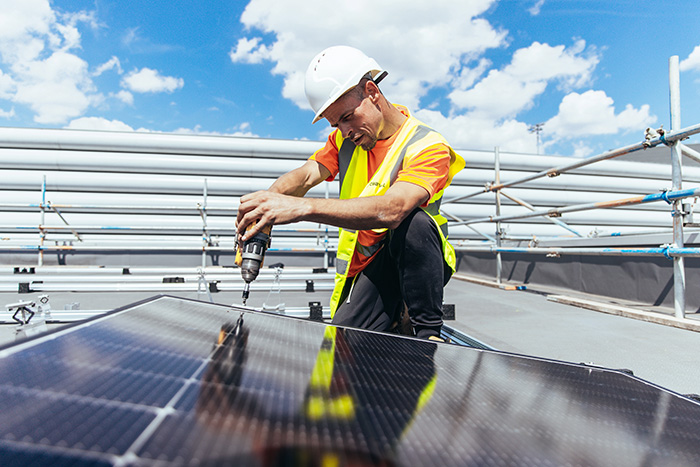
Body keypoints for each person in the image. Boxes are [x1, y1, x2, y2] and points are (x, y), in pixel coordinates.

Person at [236, 45, 465, 341]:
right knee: (343, 350)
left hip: (415, 263)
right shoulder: (346, 141)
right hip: (370, 272)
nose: (345, 131)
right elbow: (306, 174)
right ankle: (391, 316)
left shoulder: (427, 146)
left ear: (372, 92)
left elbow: (393, 208)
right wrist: (266, 203)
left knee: (412, 223)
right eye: (336, 123)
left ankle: (426, 331)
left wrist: (301, 208)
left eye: (347, 117)